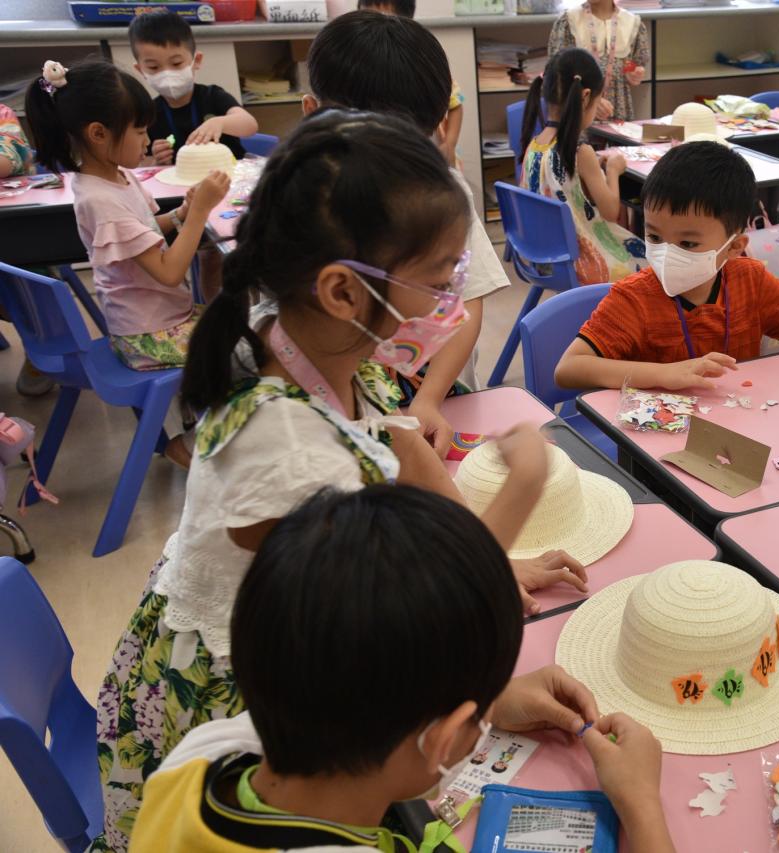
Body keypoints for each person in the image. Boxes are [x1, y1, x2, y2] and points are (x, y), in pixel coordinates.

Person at [92, 110, 585, 853]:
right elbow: (410, 616)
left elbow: (405, 451)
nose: (452, 303)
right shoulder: (289, 451)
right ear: (344, 292)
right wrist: (519, 496)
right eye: (438, 280)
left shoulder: (308, 340)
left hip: (312, 665)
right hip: (266, 703)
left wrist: (495, 558)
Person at [130, 485, 676, 853]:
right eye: (478, 719)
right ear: (443, 740)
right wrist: (643, 810)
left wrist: (489, 700)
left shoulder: (205, 752)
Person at [305, 11, 511, 457]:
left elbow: (467, 300)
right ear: (314, 115)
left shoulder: (442, 194)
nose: (390, 166)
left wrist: (429, 398)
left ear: (439, 126)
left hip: (438, 399)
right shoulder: (300, 207)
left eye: (408, 145)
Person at [24, 59, 228, 464]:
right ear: (98, 134)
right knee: (243, 348)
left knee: (238, 322)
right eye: (139, 131)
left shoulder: (117, 176)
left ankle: (201, 419)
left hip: (159, 320)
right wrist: (201, 213)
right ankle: (191, 443)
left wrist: (182, 214)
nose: (147, 139)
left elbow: (147, 230)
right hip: (146, 335)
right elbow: (169, 271)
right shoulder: (100, 199)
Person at [555, 141, 779, 391]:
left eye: (687, 244)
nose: (666, 253)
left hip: (735, 421)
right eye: (654, 236)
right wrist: (664, 374)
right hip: (657, 435)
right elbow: (568, 369)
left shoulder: (750, 281)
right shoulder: (634, 299)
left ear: (734, 247)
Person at [520, 48, 647, 286]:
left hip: (544, 258)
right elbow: (611, 211)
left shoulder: (534, 145)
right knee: (650, 260)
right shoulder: (580, 151)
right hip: (583, 263)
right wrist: (613, 171)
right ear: (586, 96)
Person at [128, 11, 258, 163]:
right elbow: (141, 163)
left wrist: (220, 123)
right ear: (140, 70)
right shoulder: (149, 113)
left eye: (176, 63)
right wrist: (156, 160)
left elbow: (250, 125)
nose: (167, 73)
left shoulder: (213, 96)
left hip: (230, 172)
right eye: (153, 67)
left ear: (196, 61)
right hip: (181, 176)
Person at [354, 0, 466, 166]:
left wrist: (449, 144)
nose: (375, 31)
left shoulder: (420, 63)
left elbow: (456, 103)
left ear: (408, 24)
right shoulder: (357, 65)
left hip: (429, 156)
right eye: (367, 21)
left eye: (384, 22)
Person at [0, 102, 57, 398]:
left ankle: (41, 344)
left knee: (22, 271)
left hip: (13, 238)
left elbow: (10, 155)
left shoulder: (3, 115)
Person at [549, 0, 649, 122]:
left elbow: (632, 62)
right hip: (581, 108)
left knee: (615, 134)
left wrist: (632, 72)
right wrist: (590, 100)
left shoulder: (630, 22)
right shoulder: (570, 20)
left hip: (617, 110)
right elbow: (558, 72)